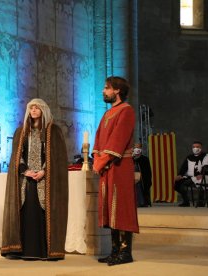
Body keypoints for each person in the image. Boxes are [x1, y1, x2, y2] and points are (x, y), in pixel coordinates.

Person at [1, 98, 68, 260]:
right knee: (26, 212)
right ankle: (22, 250)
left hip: (46, 179)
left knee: (41, 212)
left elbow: (57, 158)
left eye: (37, 108)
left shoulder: (53, 131)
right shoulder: (22, 132)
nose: (34, 111)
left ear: (43, 110)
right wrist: (25, 171)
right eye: (31, 108)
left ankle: (44, 251)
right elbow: (18, 156)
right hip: (27, 179)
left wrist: (44, 171)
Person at [92, 76, 138, 266]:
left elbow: (117, 140)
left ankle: (125, 252)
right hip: (107, 167)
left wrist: (101, 161)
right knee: (109, 207)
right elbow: (98, 139)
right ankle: (115, 250)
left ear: (117, 90)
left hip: (119, 166)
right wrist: (96, 157)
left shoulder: (126, 111)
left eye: (107, 88)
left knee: (121, 207)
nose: (104, 91)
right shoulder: (108, 113)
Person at [174, 141, 208, 207]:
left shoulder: (205, 156)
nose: (195, 148)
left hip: (201, 176)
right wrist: (180, 175)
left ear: (201, 148)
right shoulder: (189, 157)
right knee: (178, 182)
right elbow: (184, 167)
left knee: (200, 182)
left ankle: (201, 201)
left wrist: (202, 174)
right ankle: (186, 202)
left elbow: (205, 166)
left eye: (197, 147)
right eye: (194, 147)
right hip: (189, 176)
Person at [133, 143, 152, 207]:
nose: (136, 149)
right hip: (133, 177)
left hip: (142, 178)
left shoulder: (145, 159)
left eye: (138, 147)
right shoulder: (131, 159)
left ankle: (142, 202)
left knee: (140, 184)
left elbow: (148, 171)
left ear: (141, 149)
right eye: (135, 147)